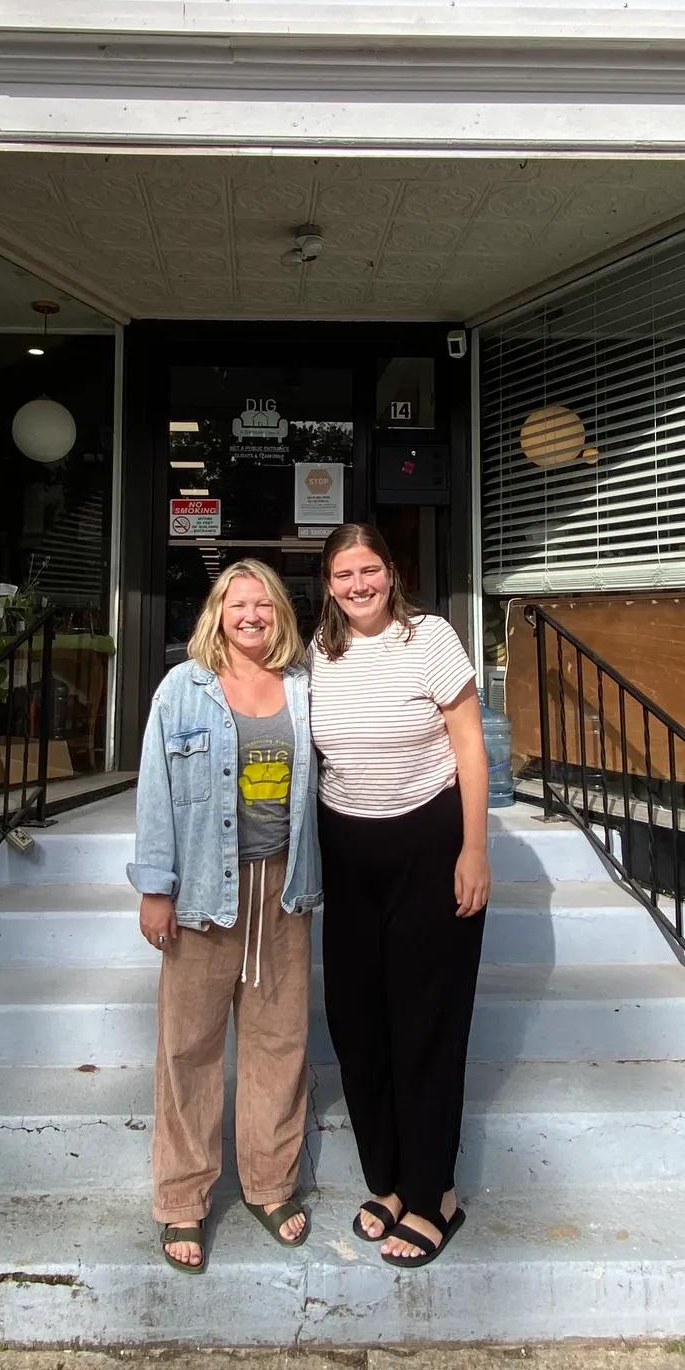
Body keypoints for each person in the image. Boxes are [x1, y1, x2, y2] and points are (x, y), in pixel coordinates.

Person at [128, 558, 321, 1274]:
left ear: (280, 614)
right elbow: (155, 790)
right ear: (217, 613)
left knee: (279, 1043)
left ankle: (270, 1185)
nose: (251, 616)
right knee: (189, 1048)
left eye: (263, 604)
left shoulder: (305, 686)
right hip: (205, 891)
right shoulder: (183, 687)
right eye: (237, 604)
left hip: (283, 888)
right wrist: (156, 887)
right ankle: (183, 1197)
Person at [309, 521, 490, 1269]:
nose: (359, 585)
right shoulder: (318, 653)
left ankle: (433, 1193)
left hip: (430, 843)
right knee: (358, 1027)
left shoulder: (432, 638)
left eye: (369, 570)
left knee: (425, 1024)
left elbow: (469, 743)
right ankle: (386, 1180)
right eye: (344, 574)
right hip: (348, 852)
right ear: (328, 585)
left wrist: (474, 849)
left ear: (391, 572)